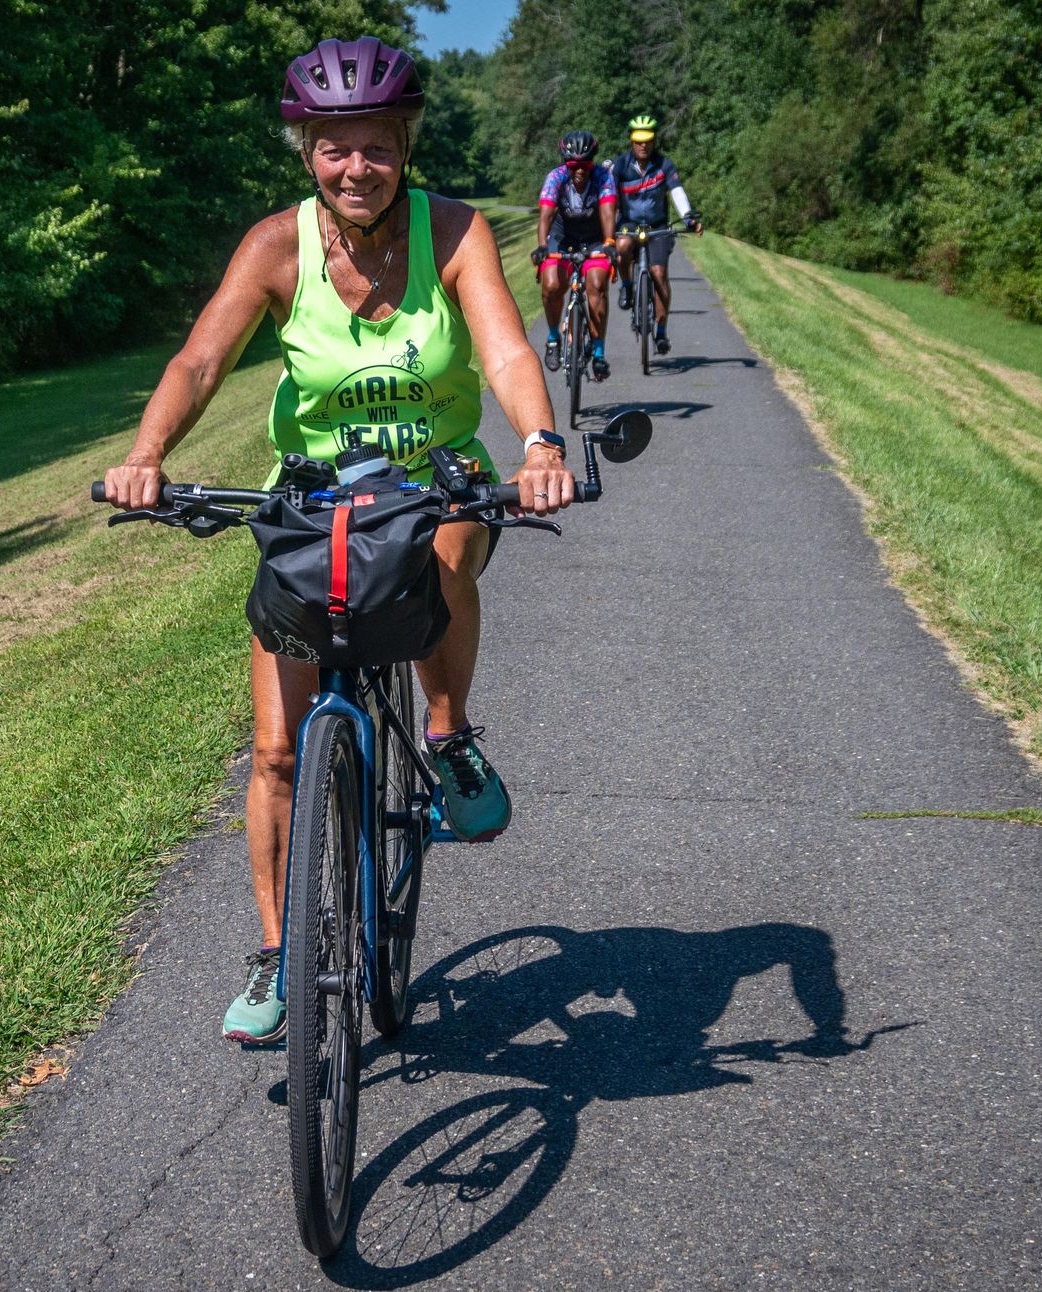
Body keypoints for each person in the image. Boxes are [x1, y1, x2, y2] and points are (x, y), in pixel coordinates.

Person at [101, 37, 575, 1044]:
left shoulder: (451, 232)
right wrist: (146, 451)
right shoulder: (276, 246)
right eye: (332, 149)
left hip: (431, 478)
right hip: (311, 498)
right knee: (275, 752)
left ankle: (444, 736)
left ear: (403, 145)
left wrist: (536, 443)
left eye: (375, 147)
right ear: (305, 150)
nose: (355, 168)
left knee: (450, 540)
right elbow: (198, 361)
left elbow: (499, 344)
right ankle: (277, 953)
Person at [609, 114, 699, 356]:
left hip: (658, 225)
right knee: (623, 247)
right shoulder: (620, 166)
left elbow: (677, 191)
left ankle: (660, 331)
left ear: (654, 140)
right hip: (629, 223)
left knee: (659, 274)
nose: (643, 145)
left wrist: (689, 216)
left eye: (648, 140)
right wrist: (606, 225)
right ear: (631, 141)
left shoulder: (664, 165)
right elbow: (609, 197)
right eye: (638, 141)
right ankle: (628, 286)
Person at [531, 130, 618, 379]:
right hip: (562, 236)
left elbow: (608, 212)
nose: (580, 170)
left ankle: (599, 353)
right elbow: (546, 213)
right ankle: (552, 338)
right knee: (551, 285)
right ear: (565, 163)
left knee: (597, 286)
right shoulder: (555, 178)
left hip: (594, 238)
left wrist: (610, 241)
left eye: (585, 164)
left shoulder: (603, 177)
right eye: (574, 165)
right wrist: (541, 246)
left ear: (593, 162)